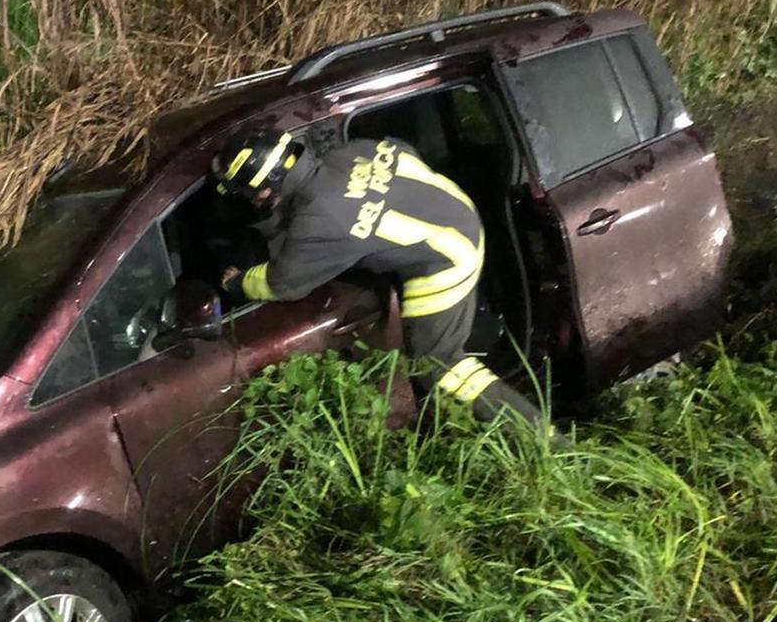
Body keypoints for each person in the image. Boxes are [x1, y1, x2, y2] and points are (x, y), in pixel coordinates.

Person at [211, 125, 552, 432]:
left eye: (246, 194)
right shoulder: (349, 152)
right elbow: (404, 149)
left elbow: (282, 284)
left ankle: (542, 440)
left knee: (438, 366)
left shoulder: (319, 221)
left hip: (449, 257)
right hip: (455, 209)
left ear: (264, 191)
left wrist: (237, 282)